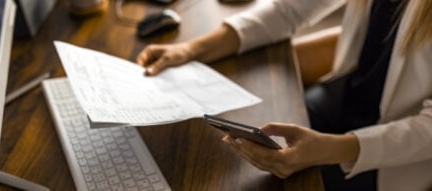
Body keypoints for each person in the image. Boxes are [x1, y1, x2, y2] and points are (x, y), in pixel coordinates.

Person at [135, 0, 432, 190]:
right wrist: (191, 49)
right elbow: (289, 9)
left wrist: (329, 149)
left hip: (393, 154)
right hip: (345, 97)